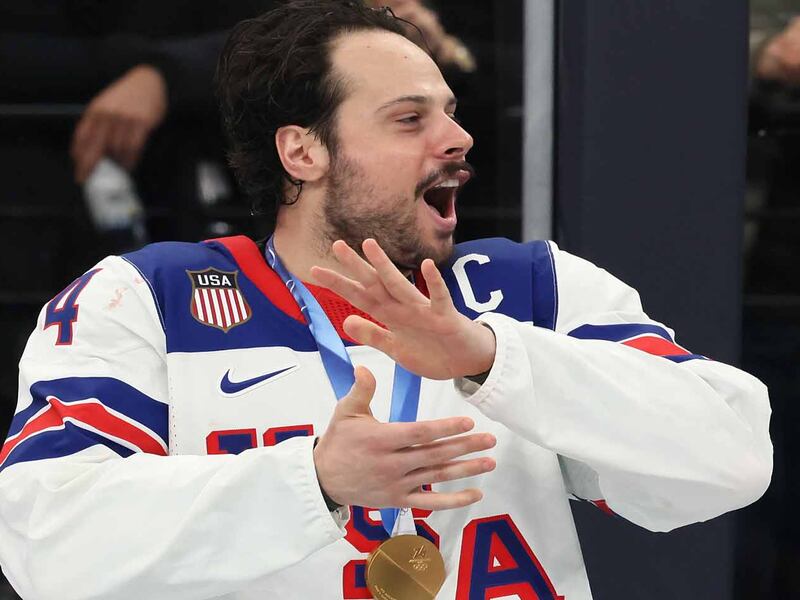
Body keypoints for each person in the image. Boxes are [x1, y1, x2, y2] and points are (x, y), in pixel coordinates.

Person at [0, 2, 772, 599]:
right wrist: (315, 479)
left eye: (451, 111)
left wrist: (491, 357)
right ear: (303, 151)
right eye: (410, 119)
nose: (457, 138)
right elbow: (43, 544)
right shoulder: (143, 299)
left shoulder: (531, 292)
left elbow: (731, 460)